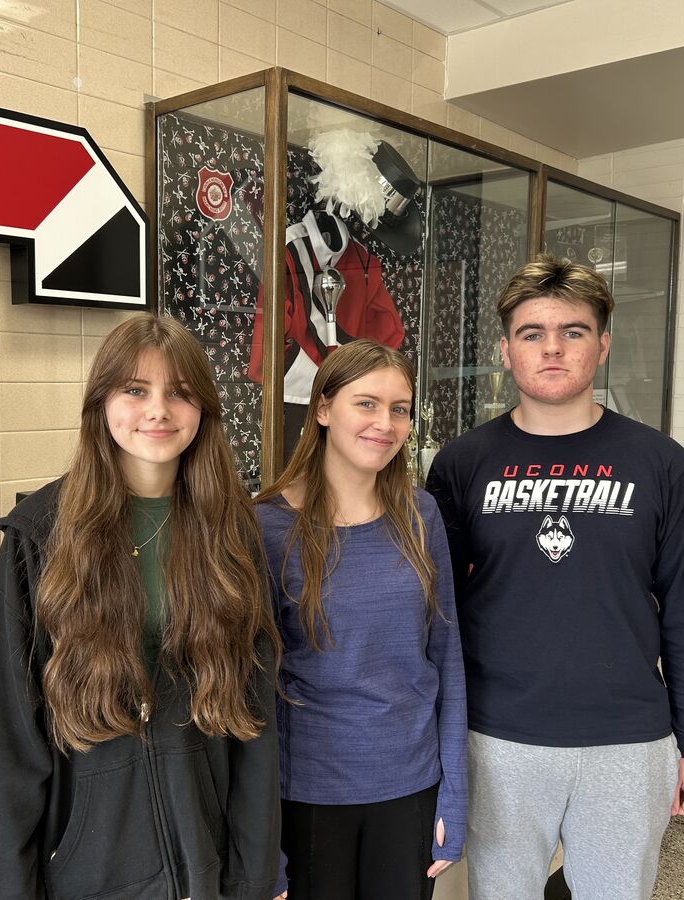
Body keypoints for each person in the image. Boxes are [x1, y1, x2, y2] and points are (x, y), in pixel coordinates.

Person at [425, 254, 684, 900]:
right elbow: (436, 611)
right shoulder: (461, 464)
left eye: (574, 331)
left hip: (627, 742)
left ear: (603, 345)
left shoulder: (663, 465)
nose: (552, 348)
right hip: (497, 737)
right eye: (532, 333)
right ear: (506, 350)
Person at [0, 313, 281, 900]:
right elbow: (6, 741)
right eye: (135, 390)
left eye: (180, 393)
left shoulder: (230, 530)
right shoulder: (40, 537)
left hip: (205, 858)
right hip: (87, 867)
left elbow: (254, 717)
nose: (158, 410)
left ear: (204, 411)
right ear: (101, 404)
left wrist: (255, 873)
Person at [255, 340, 468, 900]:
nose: (386, 423)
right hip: (307, 792)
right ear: (322, 409)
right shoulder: (266, 527)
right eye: (366, 403)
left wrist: (456, 794)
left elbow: (445, 657)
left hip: (410, 785)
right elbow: (249, 689)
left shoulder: (422, 516)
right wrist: (257, 834)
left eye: (400, 408)